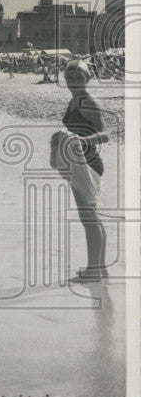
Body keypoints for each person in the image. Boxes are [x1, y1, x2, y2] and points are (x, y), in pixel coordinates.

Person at [58, 60, 109, 283]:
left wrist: (81, 139)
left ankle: (93, 270)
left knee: (89, 218)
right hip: (78, 161)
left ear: (87, 78)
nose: (74, 82)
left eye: (79, 78)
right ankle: (99, 268)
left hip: (88, 162)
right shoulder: (74, 101)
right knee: (91, 217)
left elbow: (106, 135)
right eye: (70, 78)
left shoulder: (88, 101)